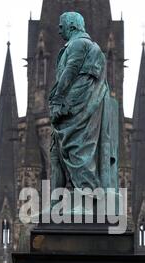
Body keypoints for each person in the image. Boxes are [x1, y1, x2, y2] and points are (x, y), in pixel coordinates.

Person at [49, 12, 118, 199]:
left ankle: (88, 196)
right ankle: (62, 198)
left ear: (72, 26)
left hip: (76, 109)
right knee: (60, 154)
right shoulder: (88, 46)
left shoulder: (79, 44)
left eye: (61, 25)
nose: (58, 29)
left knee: (78, 151)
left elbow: (70, 71)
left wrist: (58, 99)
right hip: (79, 107)